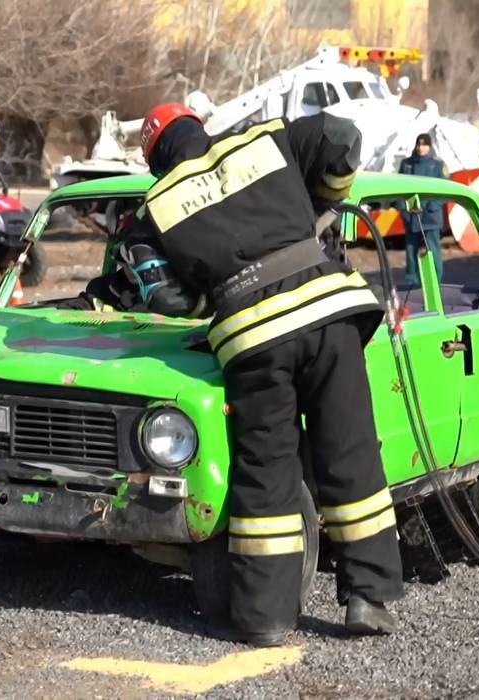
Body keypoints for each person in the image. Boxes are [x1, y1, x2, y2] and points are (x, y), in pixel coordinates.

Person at [85, 104, 404, 646]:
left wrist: (214, 287)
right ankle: (366, 599)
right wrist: (324, 202)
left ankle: (266, 618)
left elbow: (170, 299)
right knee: (349, 453)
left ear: (154, 155)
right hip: (330, 315)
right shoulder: (264, 139)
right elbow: (341, 138)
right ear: (197, 126)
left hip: (254, 341)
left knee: (266, 471)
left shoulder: (151, 212)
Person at [396, 133, 448, 286]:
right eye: (419, 144)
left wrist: (435, 204)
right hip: (411, 214)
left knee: (432, 249)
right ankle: (411, 281)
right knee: (411, 250)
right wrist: (402, 210)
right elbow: (398, 188)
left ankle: (436, 280)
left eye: (424, 145)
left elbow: (446, 188)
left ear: (430, 147)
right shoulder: (407, 164)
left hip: (431, 215)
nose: (421, 148)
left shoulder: (438, 165)